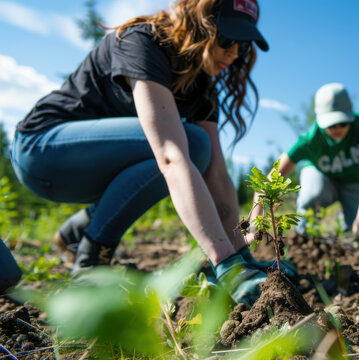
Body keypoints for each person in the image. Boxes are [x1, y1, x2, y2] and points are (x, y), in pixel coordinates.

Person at [10, 0, 270, 307]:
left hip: (90, 169)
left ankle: (81, 229)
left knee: (199, 150)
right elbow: (170, 156)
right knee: (190, 144)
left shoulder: (201, 86)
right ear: (199, 23)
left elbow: (217, 174)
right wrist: (226, 263)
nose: (235, 53)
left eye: (244, 45)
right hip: (42, 150)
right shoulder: (143, 41)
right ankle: (92, 261)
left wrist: (244, 257)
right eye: (227, 38)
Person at [248, 83, 359, 241]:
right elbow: (268, 182)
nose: (337, 128)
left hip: (354, 182)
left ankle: (345, 221)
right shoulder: (310, 140)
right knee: (312, 193)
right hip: (322, 179)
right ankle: (305, 237)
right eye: (331, 124)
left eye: (343, 122)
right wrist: (253, 228)